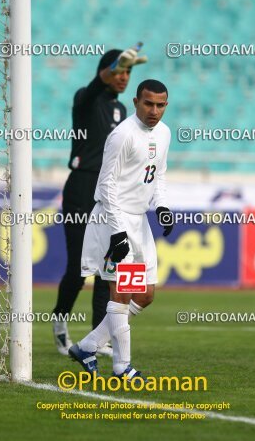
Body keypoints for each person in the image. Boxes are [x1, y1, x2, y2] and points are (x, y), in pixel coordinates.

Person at [69, 79, 174, 380]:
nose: (154, 110)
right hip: (113, 219)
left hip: (139, 220)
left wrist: (162, 207)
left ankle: (87, 346)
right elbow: (106, 185)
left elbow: (159, 176)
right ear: (136, 102)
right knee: (122, 293)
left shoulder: (164, 133)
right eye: (148, 103)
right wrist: (117, 233)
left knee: (146, 294)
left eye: (160, 105)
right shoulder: (122, 135)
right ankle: (121, 367)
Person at [52, 45, 148, 356]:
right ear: (103, 72)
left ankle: (97, 339)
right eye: (119, 71)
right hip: (81, 187)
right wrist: (112, 67)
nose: (124, 77)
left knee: (108, 269)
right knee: (79, 269)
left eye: (128, 72)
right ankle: (59, 324)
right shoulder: (86, 97)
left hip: (109, 191)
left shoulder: (122, 110)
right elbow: (96, 85)